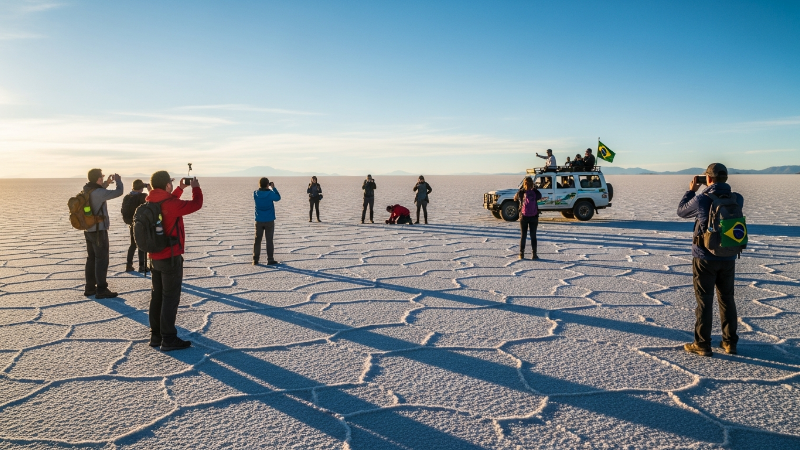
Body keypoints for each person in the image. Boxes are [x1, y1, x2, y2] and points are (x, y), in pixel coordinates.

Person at [677, 163, 743, 357]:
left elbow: (681, 211)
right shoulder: (737, 198)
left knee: (704, 301)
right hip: (728, 255)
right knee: (727, 299)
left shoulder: (702, 199)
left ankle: (702, 344)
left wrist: (691, 191)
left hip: (704, 256)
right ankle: (730, 342)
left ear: (708, 179)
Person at [146, 171, 203, 351]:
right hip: (170, 258)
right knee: (170, 298)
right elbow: (196, 204)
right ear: (167, 185)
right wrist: (196, 188)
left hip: (154, 257)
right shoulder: (170, 204)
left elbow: (169, 203)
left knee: (157, 297)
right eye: (170, 183)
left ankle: (156, 336)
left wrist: (180, 188)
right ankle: (169, 338)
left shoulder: (150, 202)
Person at [82, 169, 123, 299]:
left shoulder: (87, 190)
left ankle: (89, 288)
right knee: (102, 260)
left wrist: (107, 183)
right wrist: (118, 181)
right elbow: (119, 192)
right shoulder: (98, 193)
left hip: (88, 230)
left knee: (91, 259)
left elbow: (99, 191)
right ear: (98, 179)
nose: (103, 178)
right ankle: (101, 289)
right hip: (99, 231)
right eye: (102, 177)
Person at [121, 179, 149, 273]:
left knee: (133, 244)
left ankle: (129, 265)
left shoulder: (127, 197)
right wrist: (149, 188)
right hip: (141, 224)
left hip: (131, 223)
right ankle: (142, 266)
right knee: (142, 244)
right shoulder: (143, 196)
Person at [253, 177, 281, 265]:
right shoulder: (270, 193)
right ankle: (270, 259)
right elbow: (278, 198)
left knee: (258, 240)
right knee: (269, 240)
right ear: (267, 184)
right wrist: (273, 188)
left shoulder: (255, 193)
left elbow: (260, 193)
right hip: (269, 220)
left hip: (259, 220)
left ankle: (255, 259)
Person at [514, 177, 542, 260]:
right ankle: (534, 254)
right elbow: (539, 196)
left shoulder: (521, 192)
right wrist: (534, 189)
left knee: (523, 235)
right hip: (534, 216)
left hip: (524, 217)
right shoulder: (535, 192)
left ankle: (521, 254)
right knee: (533, 235)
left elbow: (515, 198)